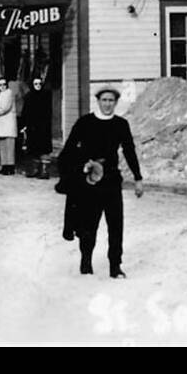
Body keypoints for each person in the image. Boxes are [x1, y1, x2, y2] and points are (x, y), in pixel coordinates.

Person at [57, 87, 144, 278]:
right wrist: (82, 165)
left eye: (111, 100)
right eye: (104, 100)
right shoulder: (85, 122)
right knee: (89, 225)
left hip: (112, 181)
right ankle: (86, 262)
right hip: (90, 182)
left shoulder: (121, 124)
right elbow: (68, 151)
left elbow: (129, 151)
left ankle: (115, 265)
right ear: (98, 101)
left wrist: (138, 178)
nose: (107, 104)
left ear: (116, 102)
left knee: (116, 225)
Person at [0, 77, 19, 175]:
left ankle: (10, 167)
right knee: (3, 145)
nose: (2, 87)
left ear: (7, 85)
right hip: (2, 124)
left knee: (9, 146)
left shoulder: (9, 93)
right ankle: (4, 165)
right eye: (0, 85)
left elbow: (5, 108)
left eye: (4, 84)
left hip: (8, 123)